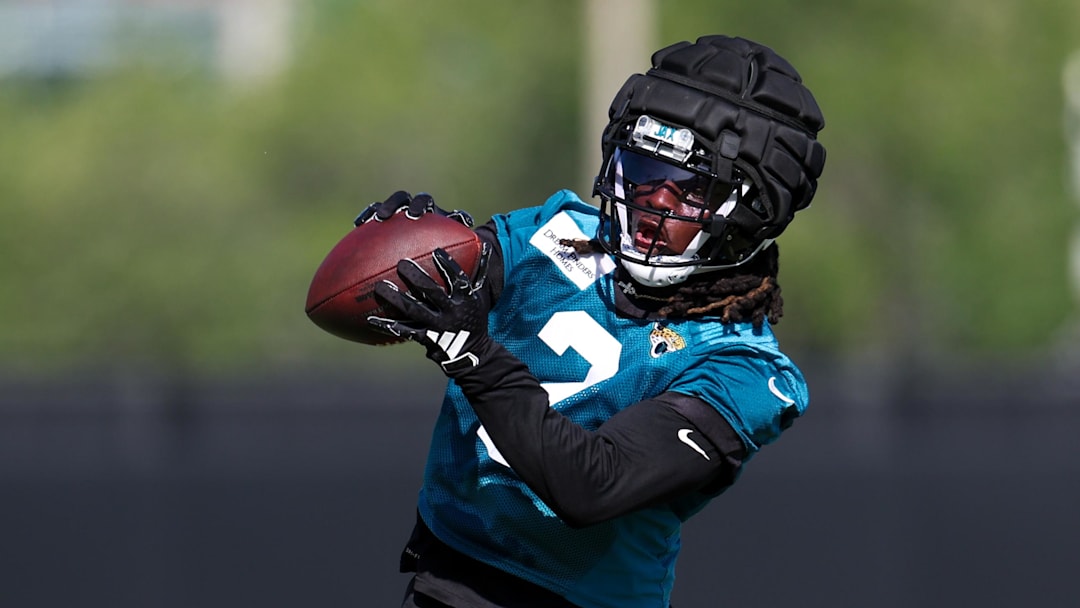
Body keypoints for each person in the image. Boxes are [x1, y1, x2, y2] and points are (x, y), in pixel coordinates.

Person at [357, 35, 825, 608]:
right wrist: (408, 250)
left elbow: (591, 487)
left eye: (691, 188)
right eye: (645, 168)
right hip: (446, 578)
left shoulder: (745, 368)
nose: (655, 201)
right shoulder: (559, 233)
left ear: (752, 209)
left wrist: (472, 353)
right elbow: (427, 283)